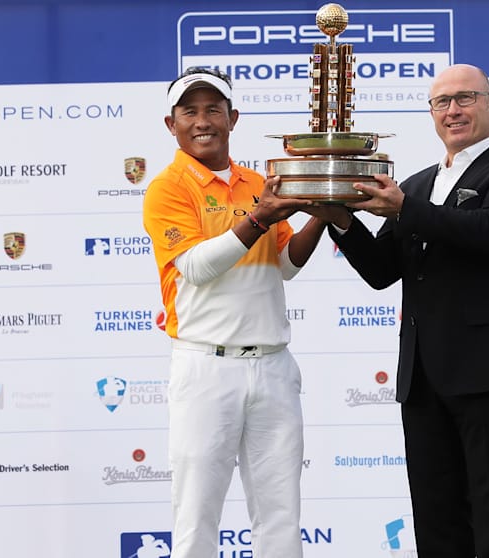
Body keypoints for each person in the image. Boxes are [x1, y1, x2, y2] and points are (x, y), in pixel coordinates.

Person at [323, 64, 489, 557]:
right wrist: (337, 217)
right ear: (431, 113)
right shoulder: (419, 183)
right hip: (422, 377)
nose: (453, 110)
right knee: (436, 519)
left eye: (465, 98)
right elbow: (383, 269)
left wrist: (404, 208)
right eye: (441, 102)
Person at [142, 67, 329, 558]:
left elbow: (285, 265)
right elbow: (198, 268)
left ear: (233, 118)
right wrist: (261, 216)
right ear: (171, 124)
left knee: (281, 514)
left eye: (213, 109)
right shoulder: (167, 188)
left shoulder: (259, 181)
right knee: (196, 517)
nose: (202, 121)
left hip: (272, 363)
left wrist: (324, 214)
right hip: (206, 366)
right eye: (190, 111)